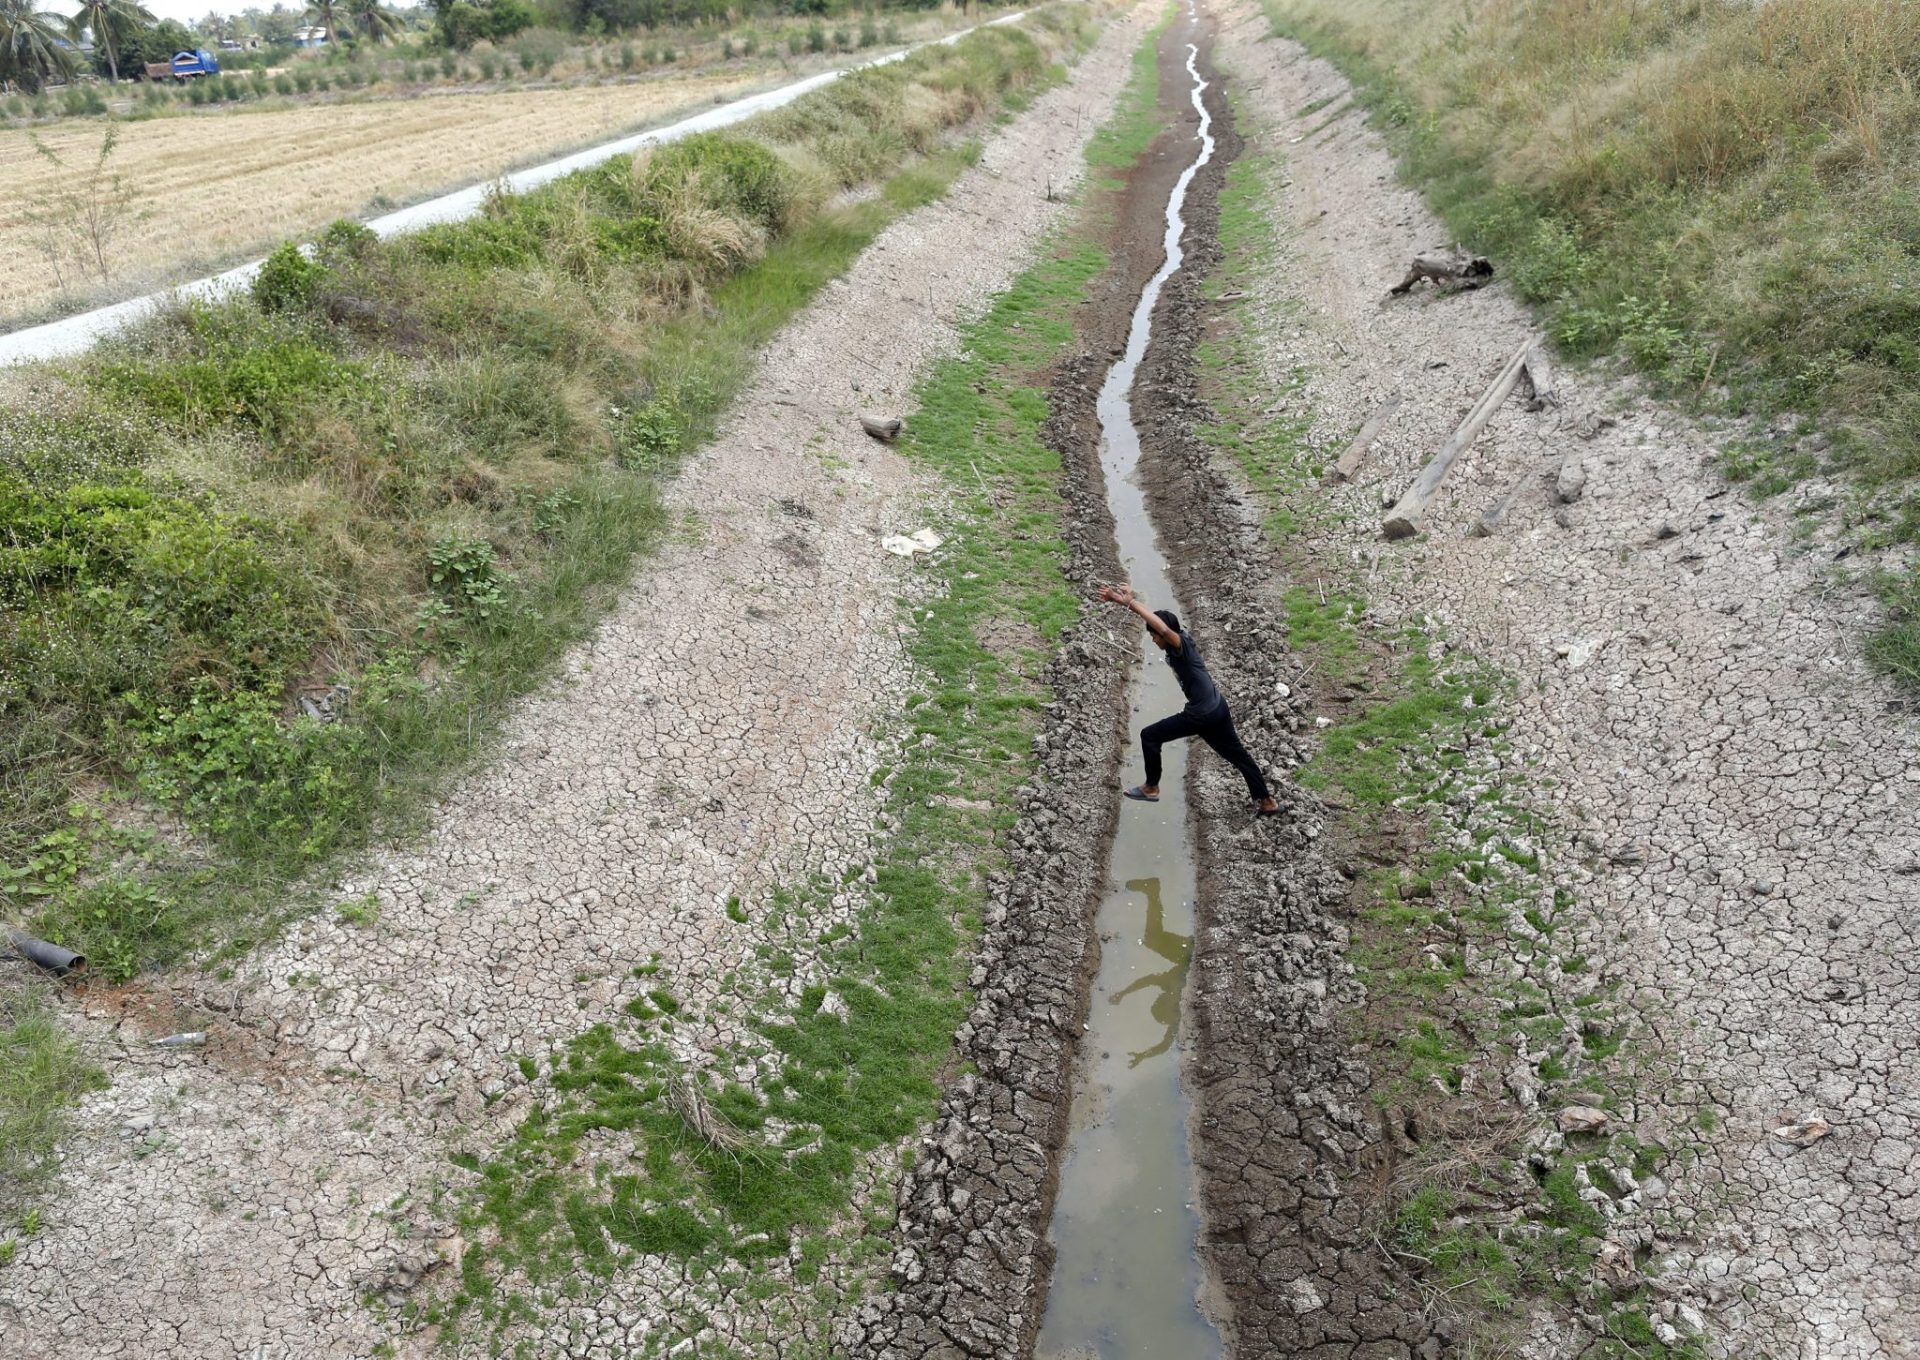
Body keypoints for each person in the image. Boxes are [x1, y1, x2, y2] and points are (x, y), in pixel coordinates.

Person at [1097, 583, 1281, 817]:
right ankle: (1267, 802)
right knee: (1238, 755)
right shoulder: (1181, 641)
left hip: (1201, 714)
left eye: (1153, 635)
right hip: (1217, 706)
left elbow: (1162, 628)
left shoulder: (1179, 645)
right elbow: (1160, 624)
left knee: (1149, 736)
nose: (1153, 639)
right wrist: (1119, 600)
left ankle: (1151, 787)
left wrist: (1130, 603)